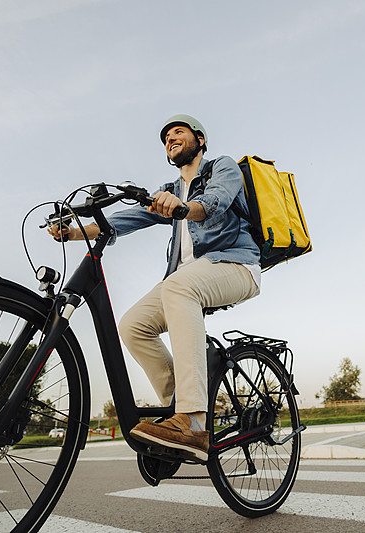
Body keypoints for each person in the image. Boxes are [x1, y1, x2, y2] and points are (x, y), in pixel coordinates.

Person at [48, 114, 260, 461]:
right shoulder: (169, 191)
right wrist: (72, 233)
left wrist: (183, 208)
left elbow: (214, 203)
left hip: (237, 265)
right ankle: (178, 407)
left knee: (178, 287)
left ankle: (192, 421)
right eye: (166, 137)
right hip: (187, 280)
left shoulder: (221, 167)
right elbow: (121, 222)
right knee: (133, 327)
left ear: (200, 140)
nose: (170, 138)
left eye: (178, 132)